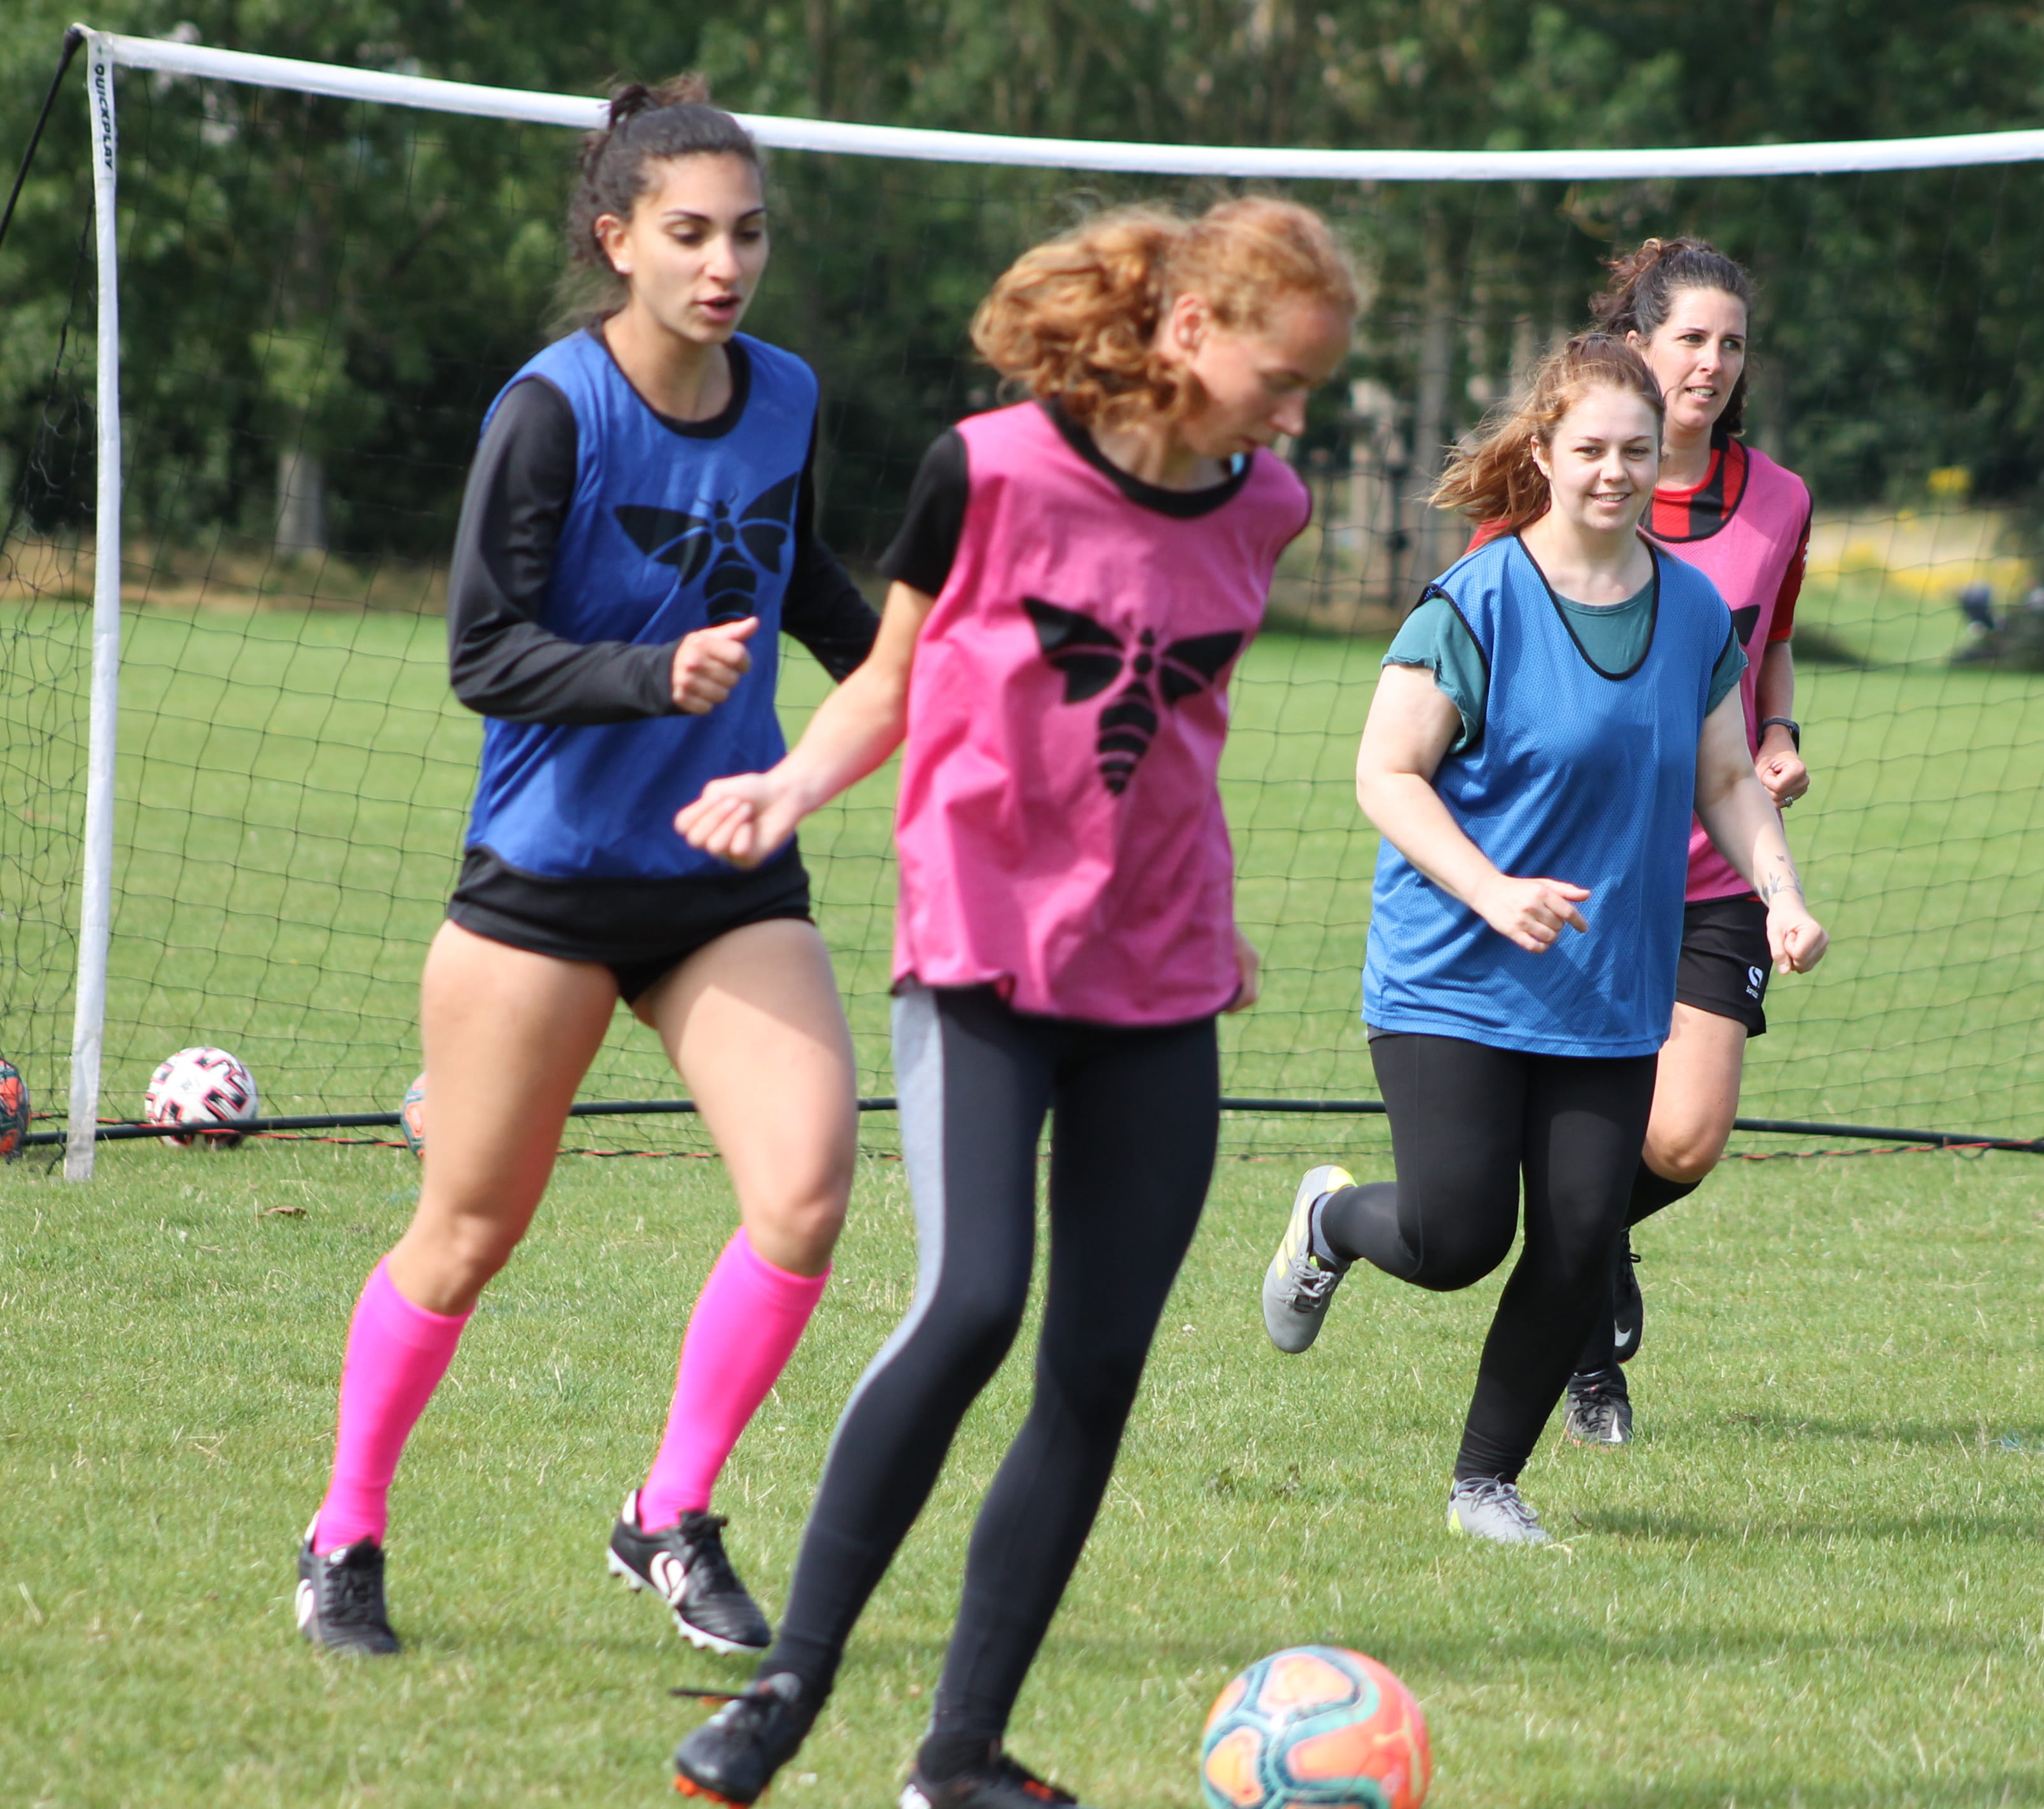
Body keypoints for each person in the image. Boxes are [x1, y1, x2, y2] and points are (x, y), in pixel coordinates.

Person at [664, 198, 1358, 1808]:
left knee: (1095, 1367)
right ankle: (784, 1694)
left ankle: (960, 1753)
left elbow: (1181, 732)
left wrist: (1209, 912)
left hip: (1164, 971)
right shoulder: (988, 468)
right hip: (981, 946)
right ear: (1193, 332)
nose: (1297, 411)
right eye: (1285, 372)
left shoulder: (1272, 508)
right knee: (973, 1298)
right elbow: (893, 680)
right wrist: (785, 786)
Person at [292, 79, 873, 1661]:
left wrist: (922, 669)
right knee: (469, 1230)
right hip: (546, 881)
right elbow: (486, 650)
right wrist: (649, 677)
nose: (724, 263)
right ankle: (343, 1533)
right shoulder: (551, 407)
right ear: (616, 239)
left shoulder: (789, 393)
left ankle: (668, 1513)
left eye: (747, 232)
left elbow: (799, 570)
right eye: (689, 233)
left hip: (723, 874)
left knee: (807, 1188)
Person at [1257, 334, 1826, 1545]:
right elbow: (1387, 773)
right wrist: (1490, 888)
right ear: (1545, 455)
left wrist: (1779, 890)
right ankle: (1331, 1222)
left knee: (1576, 1243)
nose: (1615, 473)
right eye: (1590, 451)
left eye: (1634, 451)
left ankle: (1485, 1487)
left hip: (1609, 985)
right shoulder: (1478, 601)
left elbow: (1727, 775)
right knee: (1457, 1239)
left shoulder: (1688, 611)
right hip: (1453, 974)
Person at [1562, 238, 1819, 1446]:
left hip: (1714, 873)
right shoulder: (1558, 478)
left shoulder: (1780, 500)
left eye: (1731, 344)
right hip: (1572, 866)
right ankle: (1583, 1354)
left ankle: (1589, 1241)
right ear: (1641, 344)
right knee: (1523, 1162)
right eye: (1690, 340)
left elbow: (1765, 641)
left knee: (1683, 1137)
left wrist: (1775, 732)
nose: (1712, 364)